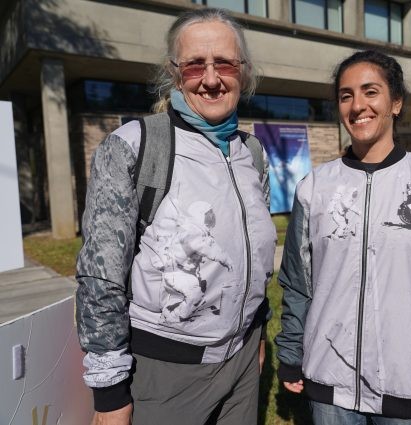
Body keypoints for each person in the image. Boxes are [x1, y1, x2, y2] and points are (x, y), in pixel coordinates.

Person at [76, 8, 276, 425]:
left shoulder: (252, 153)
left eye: (224, 62)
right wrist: (110, 392)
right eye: (194, 65)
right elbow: (100, 276)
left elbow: (254, 256)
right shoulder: (134, 145)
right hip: (166, 372)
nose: (210, 78)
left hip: (241, 363)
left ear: (244, 71)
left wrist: (257, 328)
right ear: (174, 72)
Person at [275, 50, 411, 425]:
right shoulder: (315, 187)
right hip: (330, 388)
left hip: (408, 385)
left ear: (396, 102)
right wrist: (290, 353)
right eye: (346, 95)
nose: (357, 105)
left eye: (370, 92)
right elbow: (298, 283)